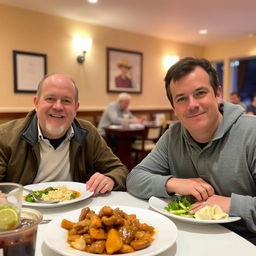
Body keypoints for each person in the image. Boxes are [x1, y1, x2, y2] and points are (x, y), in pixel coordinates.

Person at [126, 57, 256, 243]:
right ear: (174, 108)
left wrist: (231, 204)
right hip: (187, 236)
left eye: (200, 93)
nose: (192, 104)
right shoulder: (173, 136)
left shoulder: (252, 132)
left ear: (218, 94)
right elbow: (135, 178)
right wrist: (174, 183)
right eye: (181, 98)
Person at [0, 73, 128, 194]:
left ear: (76, 108)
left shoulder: (88, 133)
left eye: (66, 101)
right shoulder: (5, 136)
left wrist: (110, 179)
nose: (58, 107)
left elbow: (119, 170)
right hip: (27, 213)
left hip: (76, 212)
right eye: (50, 99)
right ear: (36, 103)